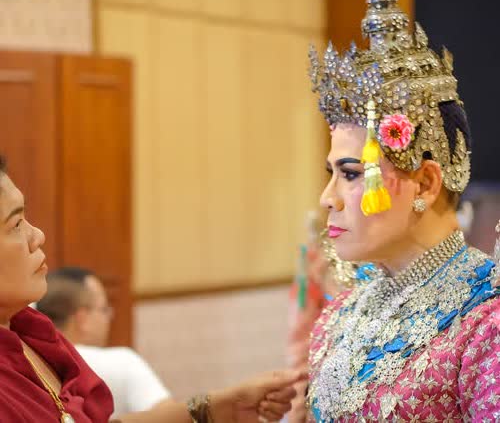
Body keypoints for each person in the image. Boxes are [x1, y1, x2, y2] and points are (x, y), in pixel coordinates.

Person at [305, 0, 500, 421]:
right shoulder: (341, 314)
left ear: (426, 183)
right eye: (331, 173)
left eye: (352, 173)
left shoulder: (487, 321)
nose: (328, 197)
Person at [0, 155, 304, 422]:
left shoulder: (33, 332)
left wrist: (217, 408)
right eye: (15, 225)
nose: (37, 236)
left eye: (26, 219)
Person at [37, 267, 171, 418]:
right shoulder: (123, 362)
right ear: (82, 319)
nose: (111, 316)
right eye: (104, 309)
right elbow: (168, 416)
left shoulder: (33, 361)